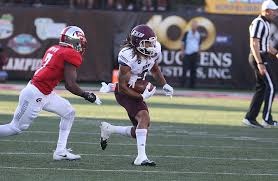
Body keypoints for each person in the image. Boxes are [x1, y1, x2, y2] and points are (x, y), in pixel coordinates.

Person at [0, 26, 101, 160]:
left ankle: (60, 151)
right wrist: (87, 95)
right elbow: (70, 85)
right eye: (80, 41)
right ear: (74, 40)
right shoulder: (70, 54)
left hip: (45, 92)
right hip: (35, 94)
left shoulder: (54, 48)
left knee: (69, 112)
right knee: (15, 128)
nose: (82, 45)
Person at [99, 24, 174, 166]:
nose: (151, 45)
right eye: (147, 43)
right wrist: (142, 97)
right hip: (126, 91)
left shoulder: (154, 49)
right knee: (144, 118)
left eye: (152, 42)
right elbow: (122, 87)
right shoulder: (127, 55)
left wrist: (165, 85)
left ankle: (110, 129)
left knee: (140, 129)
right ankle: (141, 158)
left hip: (136, 86)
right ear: (137, 43)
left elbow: (155, 69)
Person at [243, 0, 278, 128]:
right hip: (258, 57)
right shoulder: (258, 22)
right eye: (274, 11)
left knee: (262, 88)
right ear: (266, 11)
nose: (276, 13)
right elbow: (254, 44)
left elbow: (265, 45)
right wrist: (260, 63)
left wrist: (276, 53)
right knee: (272, 86)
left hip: (262, 56)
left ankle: (250, 118)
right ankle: (267, 119)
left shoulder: (266, 23)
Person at [181, 20, 201, 88]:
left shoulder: (198, 34)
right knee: (185, 70)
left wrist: (199, 52)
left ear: (197, 26)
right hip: (187, 54)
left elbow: (199, 44)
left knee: (194, 70)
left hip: (195, 54)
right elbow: (183, 43)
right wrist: (182, 52)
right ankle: (183, 84)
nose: (194, 26)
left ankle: (192, 85)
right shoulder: (187, 33)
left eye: (195, 25)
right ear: (191, 26)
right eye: (193, 25)